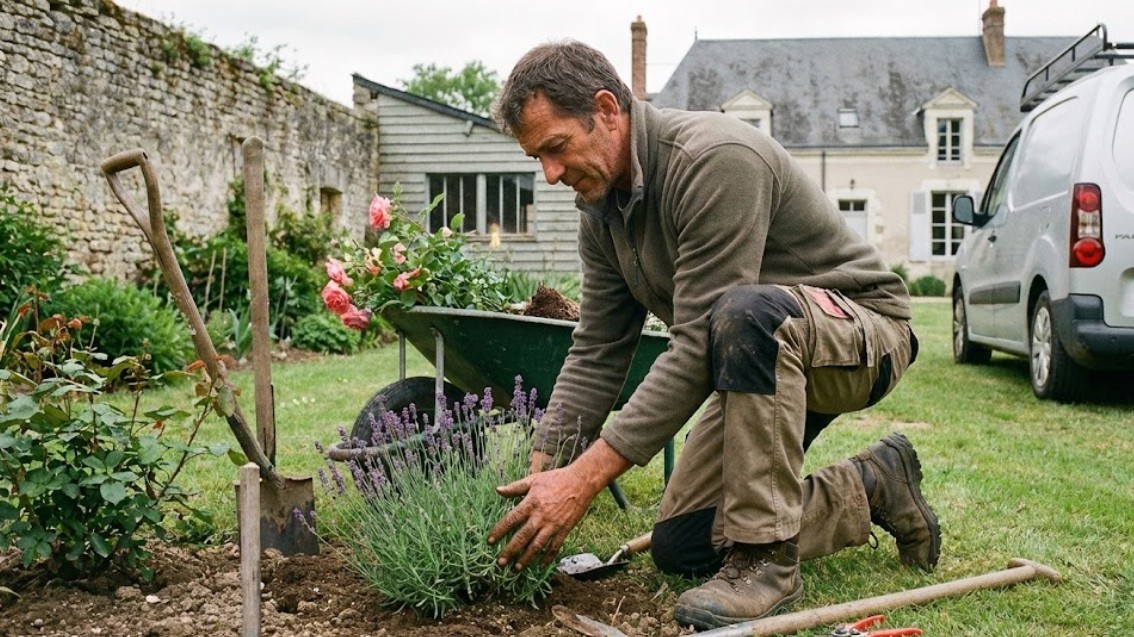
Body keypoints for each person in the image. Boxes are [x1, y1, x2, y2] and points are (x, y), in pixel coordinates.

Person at [485, 40, 941, 631]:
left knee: (743, 313)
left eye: (555, 148)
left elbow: (700, 339)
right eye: (536, 158)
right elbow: (598, 348)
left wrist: (586, 479)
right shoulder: (602, 209)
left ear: (605, 109)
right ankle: (874, 483)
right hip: (757, 358)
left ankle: (767, 563)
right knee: (684, 546)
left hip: (860, 333)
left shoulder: (713, 159)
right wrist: (543, 480)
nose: (549, 174)